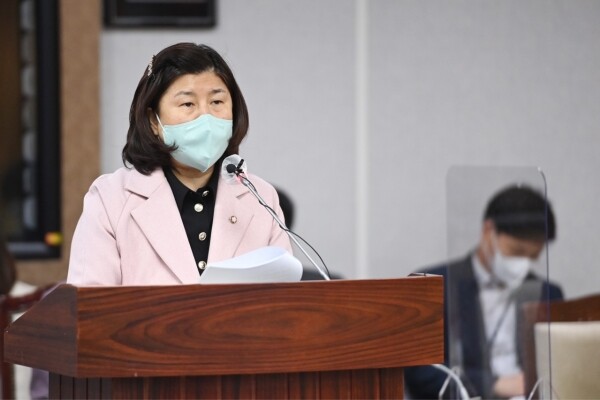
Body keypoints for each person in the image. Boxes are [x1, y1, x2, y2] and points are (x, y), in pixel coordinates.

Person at [67, 43, 291, 286]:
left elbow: (284, 299)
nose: (206, 117)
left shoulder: (261, 198)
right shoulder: (110, 199)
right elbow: (89, 302)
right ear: (153, 121)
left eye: (217, 102)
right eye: (188, 104)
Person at [404, 185, 563, 400]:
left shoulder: (547, 293)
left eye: (532, 256)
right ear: (489, 231)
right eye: (516, 252)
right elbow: (419, 371)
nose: (523, 264)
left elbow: (559, 366)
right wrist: (493, 384)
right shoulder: (434, 284)